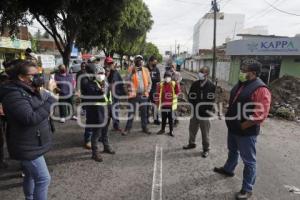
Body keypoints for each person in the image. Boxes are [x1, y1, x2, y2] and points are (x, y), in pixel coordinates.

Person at [213, 59, 271, 200]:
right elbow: (235, 100)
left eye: (244, 70)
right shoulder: (242, 84)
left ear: (252, 72)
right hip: (233, 127)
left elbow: (260, 114)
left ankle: (247, 189)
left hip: (246, 131)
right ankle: (228, 169)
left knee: (249, 161)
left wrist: (242, 126)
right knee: (232, 150)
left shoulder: (261, 89)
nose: (241, 72)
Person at [0, 60, 56, 200]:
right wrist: (51, 99)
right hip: (27, 146)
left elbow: (37, 105)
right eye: (34, 75)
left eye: (38, 74)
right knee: (43, 179)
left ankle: (29, 197)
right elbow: (30, 118)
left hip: (32, 142)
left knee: (30, 175)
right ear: (21, 77)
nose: (38, 77)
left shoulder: (26, 88)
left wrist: (45, 92)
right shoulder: (14, 94)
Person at [84, 64, 115, 162]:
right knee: (96, 133)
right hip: (97, 113)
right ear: (94, 74)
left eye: (103, 73)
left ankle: (106, 147)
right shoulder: (90, 84)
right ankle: (95, 153)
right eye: (99, 73)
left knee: (105, 132)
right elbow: (93, 96)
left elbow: (109, 97)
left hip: (107, 110)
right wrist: (100, 91)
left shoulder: (105, 82)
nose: (102, 75)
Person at [183, 67, 216, 158]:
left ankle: (206, 149)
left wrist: (202, 109)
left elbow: (211, 101)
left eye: (202, 72)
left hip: (205, 114)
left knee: (205, 132)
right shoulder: (195, 84)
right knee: (192, 129)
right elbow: (191, 96)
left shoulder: (211, 86)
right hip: (195, 112)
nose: (200, 74)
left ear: (207, 74)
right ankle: (191, 143)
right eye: (199, 72)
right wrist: (194, 107)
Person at [123, 55, 152, 135]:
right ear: (135, 61)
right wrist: (132, 73)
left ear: (142, 61)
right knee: (131, 113)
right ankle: (127, 129)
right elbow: (126, 81)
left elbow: (150, 82)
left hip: (143, 95)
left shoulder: (146, 70)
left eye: (141, 60)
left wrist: (147, 91)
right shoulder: (130, 69)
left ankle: (144, 127)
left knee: (144, 113)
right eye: (137, 59)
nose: (139, 61)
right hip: (133, 95)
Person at [155, 72, 180, 137]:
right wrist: (157, 103)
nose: (167, 78)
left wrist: (177, 85)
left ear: (171, 77)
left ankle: (171, 131)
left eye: (169, 77)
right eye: (166, 77)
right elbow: (157, 94)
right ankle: (162, 129)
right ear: (164, 77)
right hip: (163, 105)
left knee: (171, 118)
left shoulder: (174, 84)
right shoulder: (160, 84)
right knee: (163, 118)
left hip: (171, 105)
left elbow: (177, 92)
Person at [104, 56, 124, 133]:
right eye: (108, 63)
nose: (109, 65)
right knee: (107, 114)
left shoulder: (116, 73)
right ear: (105, 63)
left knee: (115, 112)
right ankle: (103, 131)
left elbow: (121, 84)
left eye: (111, 63)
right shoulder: (102, 72)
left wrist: (120, 95)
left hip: (115, 97)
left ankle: (116, 126)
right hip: (105, 98)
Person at [146, 55, 161, 125]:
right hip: (146, 90)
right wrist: (150, 80)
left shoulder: (156, 69)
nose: (155, 63)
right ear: (150, 62)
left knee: (155, 105)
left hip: (154, 90)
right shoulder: (145, 69)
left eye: (156, 62)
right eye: (154, 62)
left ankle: (156, 119)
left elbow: (158, 79)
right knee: (146, 105)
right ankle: (146, 119)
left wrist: (150, 80)